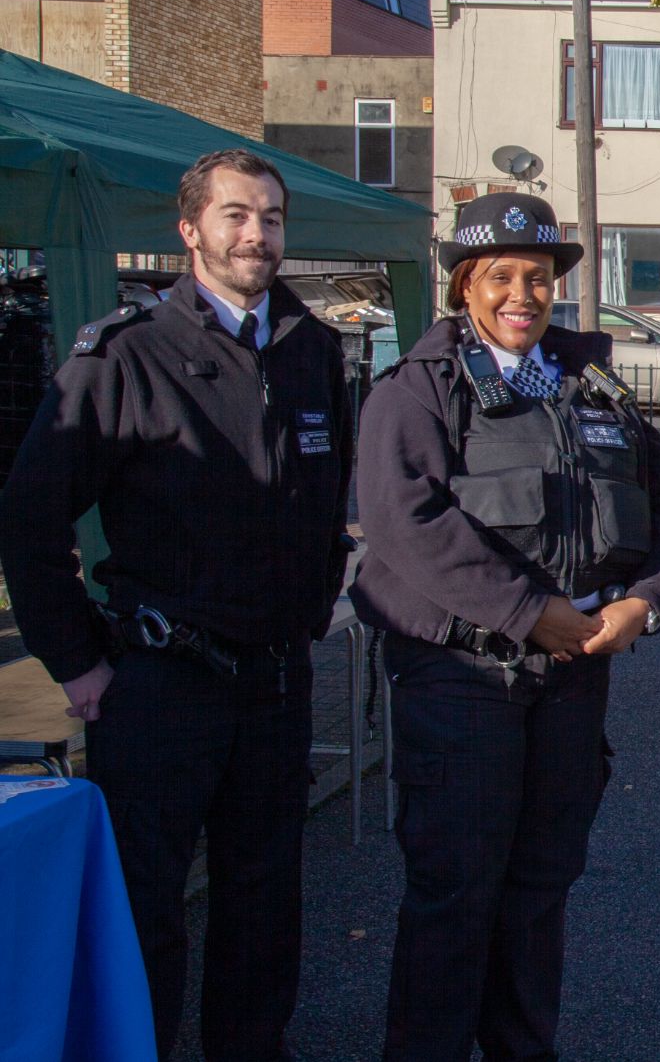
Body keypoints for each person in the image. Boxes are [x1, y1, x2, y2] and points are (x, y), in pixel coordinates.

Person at [0, 149, 353, 1062]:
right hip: (162, 682)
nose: (258, 234)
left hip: (275, 682)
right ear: (189, 229)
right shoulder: (128, 352)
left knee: (264, 903)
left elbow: (328, 502)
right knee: (148, 907)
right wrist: (75, 659)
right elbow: (33, 516)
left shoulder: (311, 349)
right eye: (237, 216)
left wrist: (313, 610)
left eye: (272, 217)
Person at [348, 192, 660, 1061]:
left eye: (538, 277)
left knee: (539, 893)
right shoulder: (417, 392)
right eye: (501, 276)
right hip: (460, 681)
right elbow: (405, 521)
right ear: (466, 286)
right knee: (455, 897)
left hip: (569, 684)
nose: (522, 295)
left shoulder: (592, 389)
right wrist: (535, 614)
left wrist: (646, 597)